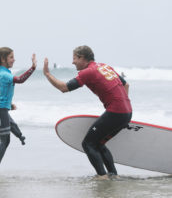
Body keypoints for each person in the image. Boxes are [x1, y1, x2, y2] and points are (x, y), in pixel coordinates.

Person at [43, 45, 132, 179]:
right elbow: (126, 85)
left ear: (82, 58)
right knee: (99, 143)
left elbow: (64, 88)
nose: (72, 62)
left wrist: (48, 74)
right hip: (127, 112)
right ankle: (114, 175)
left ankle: (102, 177)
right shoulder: (104, 66)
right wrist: (122, 106)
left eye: (74, 58)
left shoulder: (88, 72)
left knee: (88, 143)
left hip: (116, 112)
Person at [0, 47, 37, 177]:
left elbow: (3, 92)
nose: (14, 59)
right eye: (11, 57)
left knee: (7, 138)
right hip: (0, 111)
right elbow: (20, 80)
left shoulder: (2, 72)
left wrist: (9, 104)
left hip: (2, 109)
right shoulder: (4, 74)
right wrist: (32, 68)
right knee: (4, 141)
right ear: (3, 59)